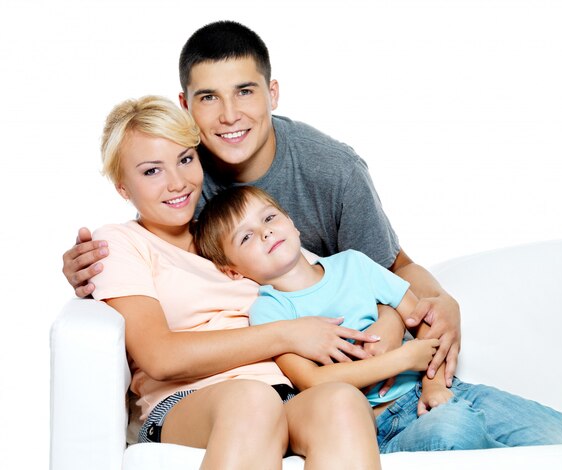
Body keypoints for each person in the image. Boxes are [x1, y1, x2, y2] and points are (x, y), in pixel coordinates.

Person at [62, 20, 461, 387]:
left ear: (273, 93)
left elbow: (394, 268)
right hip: (274, 372)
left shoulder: (333, 170)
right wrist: (94, 269)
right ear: (185, 105)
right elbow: (156, 251)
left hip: (348, 350)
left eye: (245, 91)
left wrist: (437, 304)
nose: (229, 115)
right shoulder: (183, 170)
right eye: (208, 98)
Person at [91, 94, 384, 469]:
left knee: (341, 400)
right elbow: (160, 358)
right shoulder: (121, 242)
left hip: (285, 393)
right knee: (252, 401)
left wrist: (395, 321)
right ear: (123, 187)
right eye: (152, 171)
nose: (177, 183)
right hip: (189, 403)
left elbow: (342, 282)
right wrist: (288, 334)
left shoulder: (236, 234)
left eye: (185, 160)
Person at [193, 185, 562, 453]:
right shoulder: (270, 311)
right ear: (232, 270)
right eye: (245, 237)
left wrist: (433, 386)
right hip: (382, 424)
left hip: (440, 390)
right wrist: (401, 359)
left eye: (269, 218)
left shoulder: (355, 265)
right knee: (455, 431)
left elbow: (421, 320)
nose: (264, 234)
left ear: (292, 222)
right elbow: (312, 382)